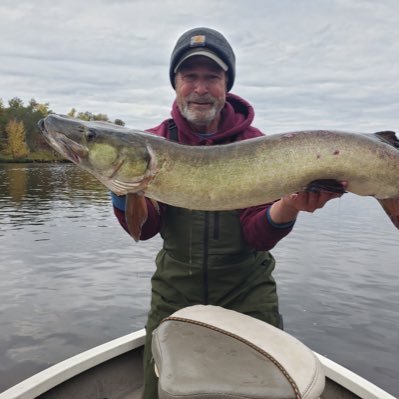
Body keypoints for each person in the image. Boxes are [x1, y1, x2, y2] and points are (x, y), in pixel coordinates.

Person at [111, 27, 345, 399]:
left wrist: (288, 206)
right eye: (190, 77)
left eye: (212, 77)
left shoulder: (257, 145)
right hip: (175, 290)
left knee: (259, 390)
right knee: (158, 389)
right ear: (175, 83)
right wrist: (123, 188)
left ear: (226, 85)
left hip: (247, 291)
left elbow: (257, 235)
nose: (200, 88)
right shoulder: (152, 143)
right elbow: (145, 229)